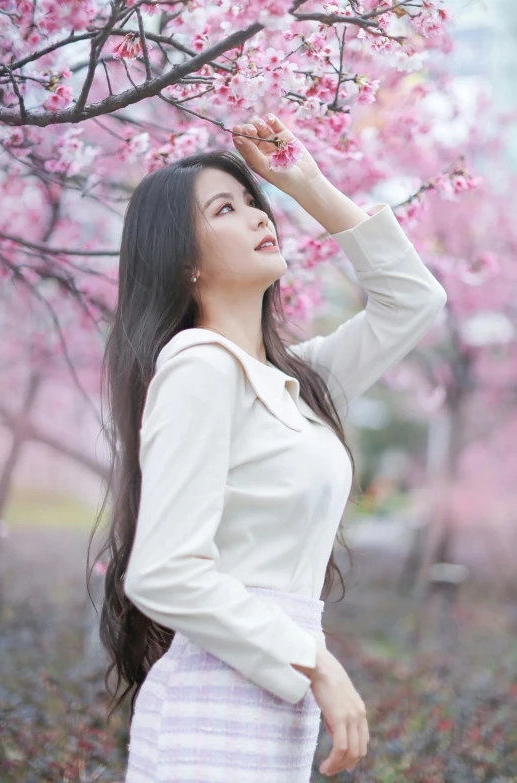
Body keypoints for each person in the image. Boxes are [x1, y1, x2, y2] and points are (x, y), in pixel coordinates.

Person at [92, 113, 447, 782]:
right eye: (226, 208)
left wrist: (304, 182)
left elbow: (414, 300)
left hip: (268, 705)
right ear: (186, 261)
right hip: (215, 710)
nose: (259, 215)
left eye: (254, 201)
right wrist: (317, 662)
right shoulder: (200, 366)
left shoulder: (296, 383)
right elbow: (163, 570)